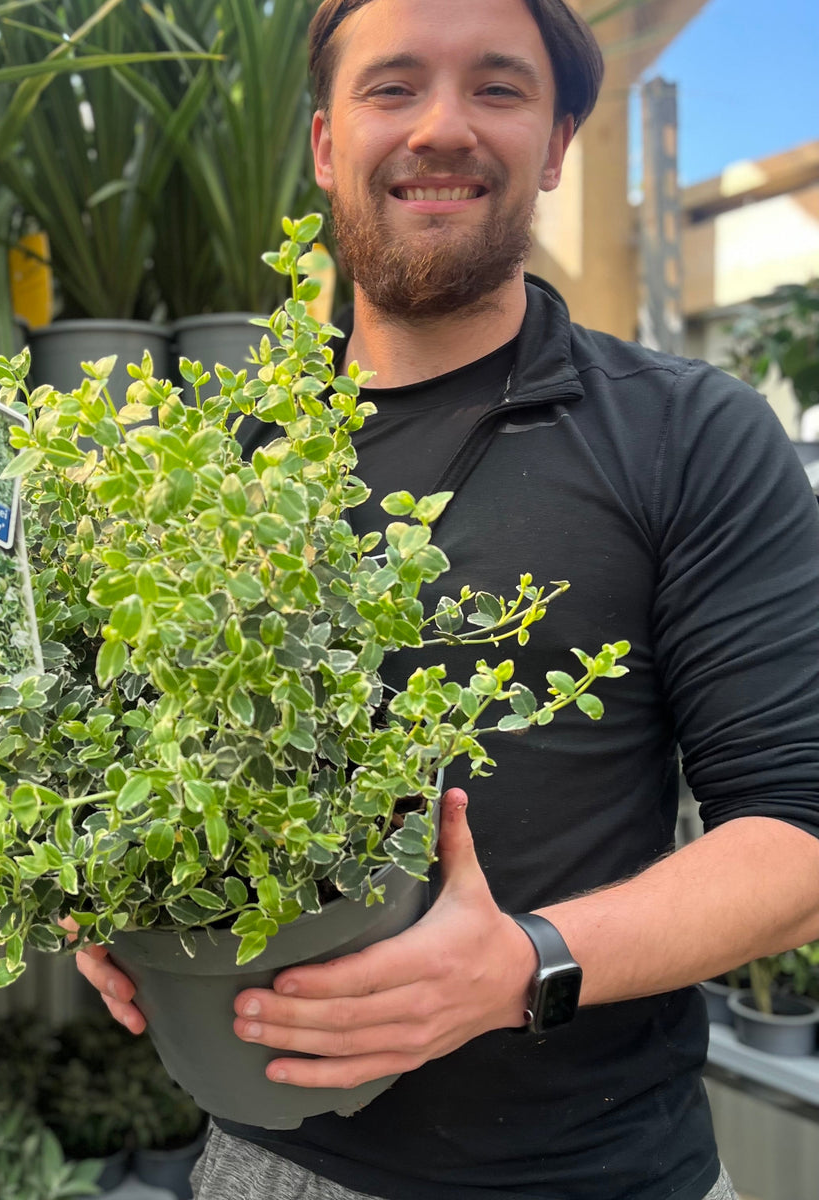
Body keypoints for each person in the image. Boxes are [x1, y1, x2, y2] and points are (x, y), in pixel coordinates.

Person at [75, 1, 819, 1196]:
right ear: (326, 144)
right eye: (393, 85)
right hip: (268, 1160)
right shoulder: (217, 464)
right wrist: (103, 890)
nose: (440, 127)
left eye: (499, 87)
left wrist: (526, 964)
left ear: (559, 143)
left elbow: (798, 837)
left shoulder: (686, 435)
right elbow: (124, 749)